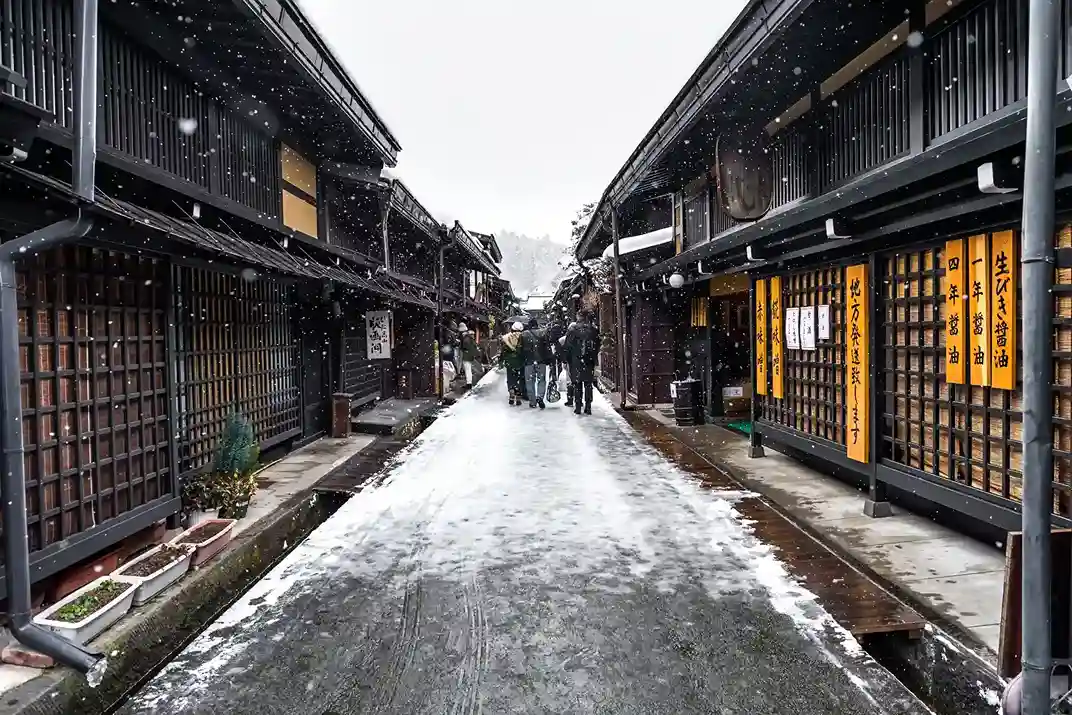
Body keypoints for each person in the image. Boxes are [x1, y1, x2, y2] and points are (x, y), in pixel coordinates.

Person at [564, 310, 600, 415]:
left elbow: (567, 347)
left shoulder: (572, 330)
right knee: (588, 384)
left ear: (578, 317)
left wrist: (567, 360)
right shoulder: (593, 330)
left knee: (577, 384)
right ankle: (588, 406)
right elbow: (597, 344)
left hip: (576, 360)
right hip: (589, 361)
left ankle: (578, 406)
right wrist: (593, 356)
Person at [520, 318, 548, 409]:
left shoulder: (524, 334)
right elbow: (547, 347)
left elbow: (520, 348)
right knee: (541, 380)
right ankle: (540, 397)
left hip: (529, 361)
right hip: (541, 361)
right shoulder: (543, 333)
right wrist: (549, 359)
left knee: (530, 382)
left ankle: (532, 401)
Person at [499, 322, 525, 406]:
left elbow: (503, 352)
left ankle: (511, 393)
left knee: (510, 378)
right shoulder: (523, 337)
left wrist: (501, 361)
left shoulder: (506, 338)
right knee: (519, 379)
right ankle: (518, 397)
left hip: (509, 361)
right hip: (520, 361)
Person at [457, 322, 478, 390]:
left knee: (467, 370)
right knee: (468, 370)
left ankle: (469, 384)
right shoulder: (469, 337)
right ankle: (469, 383)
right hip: (469, 355)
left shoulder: (466, 338)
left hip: (466, 356)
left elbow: (465, 346)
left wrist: (463, 348)